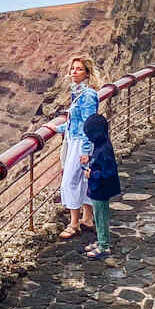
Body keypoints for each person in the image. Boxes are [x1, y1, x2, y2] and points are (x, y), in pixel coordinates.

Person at [55, 55, 101, 239]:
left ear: (87, 73)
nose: (74, 71)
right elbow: (76, 120)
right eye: (73, 68)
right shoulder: (78, 92)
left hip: (81, 143)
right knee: (84, 180)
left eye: (79, 69)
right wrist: (59, 127)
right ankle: (87, 219)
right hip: (76, 139)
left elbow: (89, 125)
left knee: (70, 181)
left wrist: (84, 151)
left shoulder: (88, 96)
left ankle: (74, 224)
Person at [82, 113, 121, 258]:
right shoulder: (101, 145)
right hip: (97, 188)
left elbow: (108, 172)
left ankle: (104, 245)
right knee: (98, 215)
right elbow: (99, 162)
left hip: (101, 189)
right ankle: (100, 241)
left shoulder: (104, 150)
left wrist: (91, 174)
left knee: (101, 216)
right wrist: (91, 159)